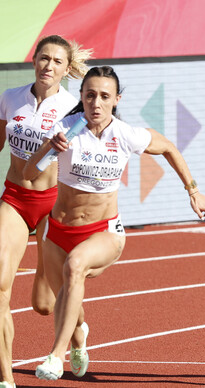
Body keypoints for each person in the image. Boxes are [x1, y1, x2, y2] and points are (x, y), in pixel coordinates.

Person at [24, 66, 205, 381]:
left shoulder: (125, 134)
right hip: (58, 232)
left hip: (103, 232)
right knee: (56, 300)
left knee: (75, 268)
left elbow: (167, 147)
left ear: (116, 100)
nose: (96, 103)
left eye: (104, 97)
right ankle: (79, 333)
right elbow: (30, 173)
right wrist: (48, 148)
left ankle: (55, 357)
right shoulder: (64, 130)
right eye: (89, 96)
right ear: (81, 98)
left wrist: (193, 191)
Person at [0, 35, 91, 388]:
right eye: (43, 58)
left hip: (52, 205)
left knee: (43, 303)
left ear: (66, 69)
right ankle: (6, 379)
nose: (48, 66)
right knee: (1, 288)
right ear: (33, 60)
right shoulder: (10, 98)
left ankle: (79, 332)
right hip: (15, 200)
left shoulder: (74, 109)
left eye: (56, 61)